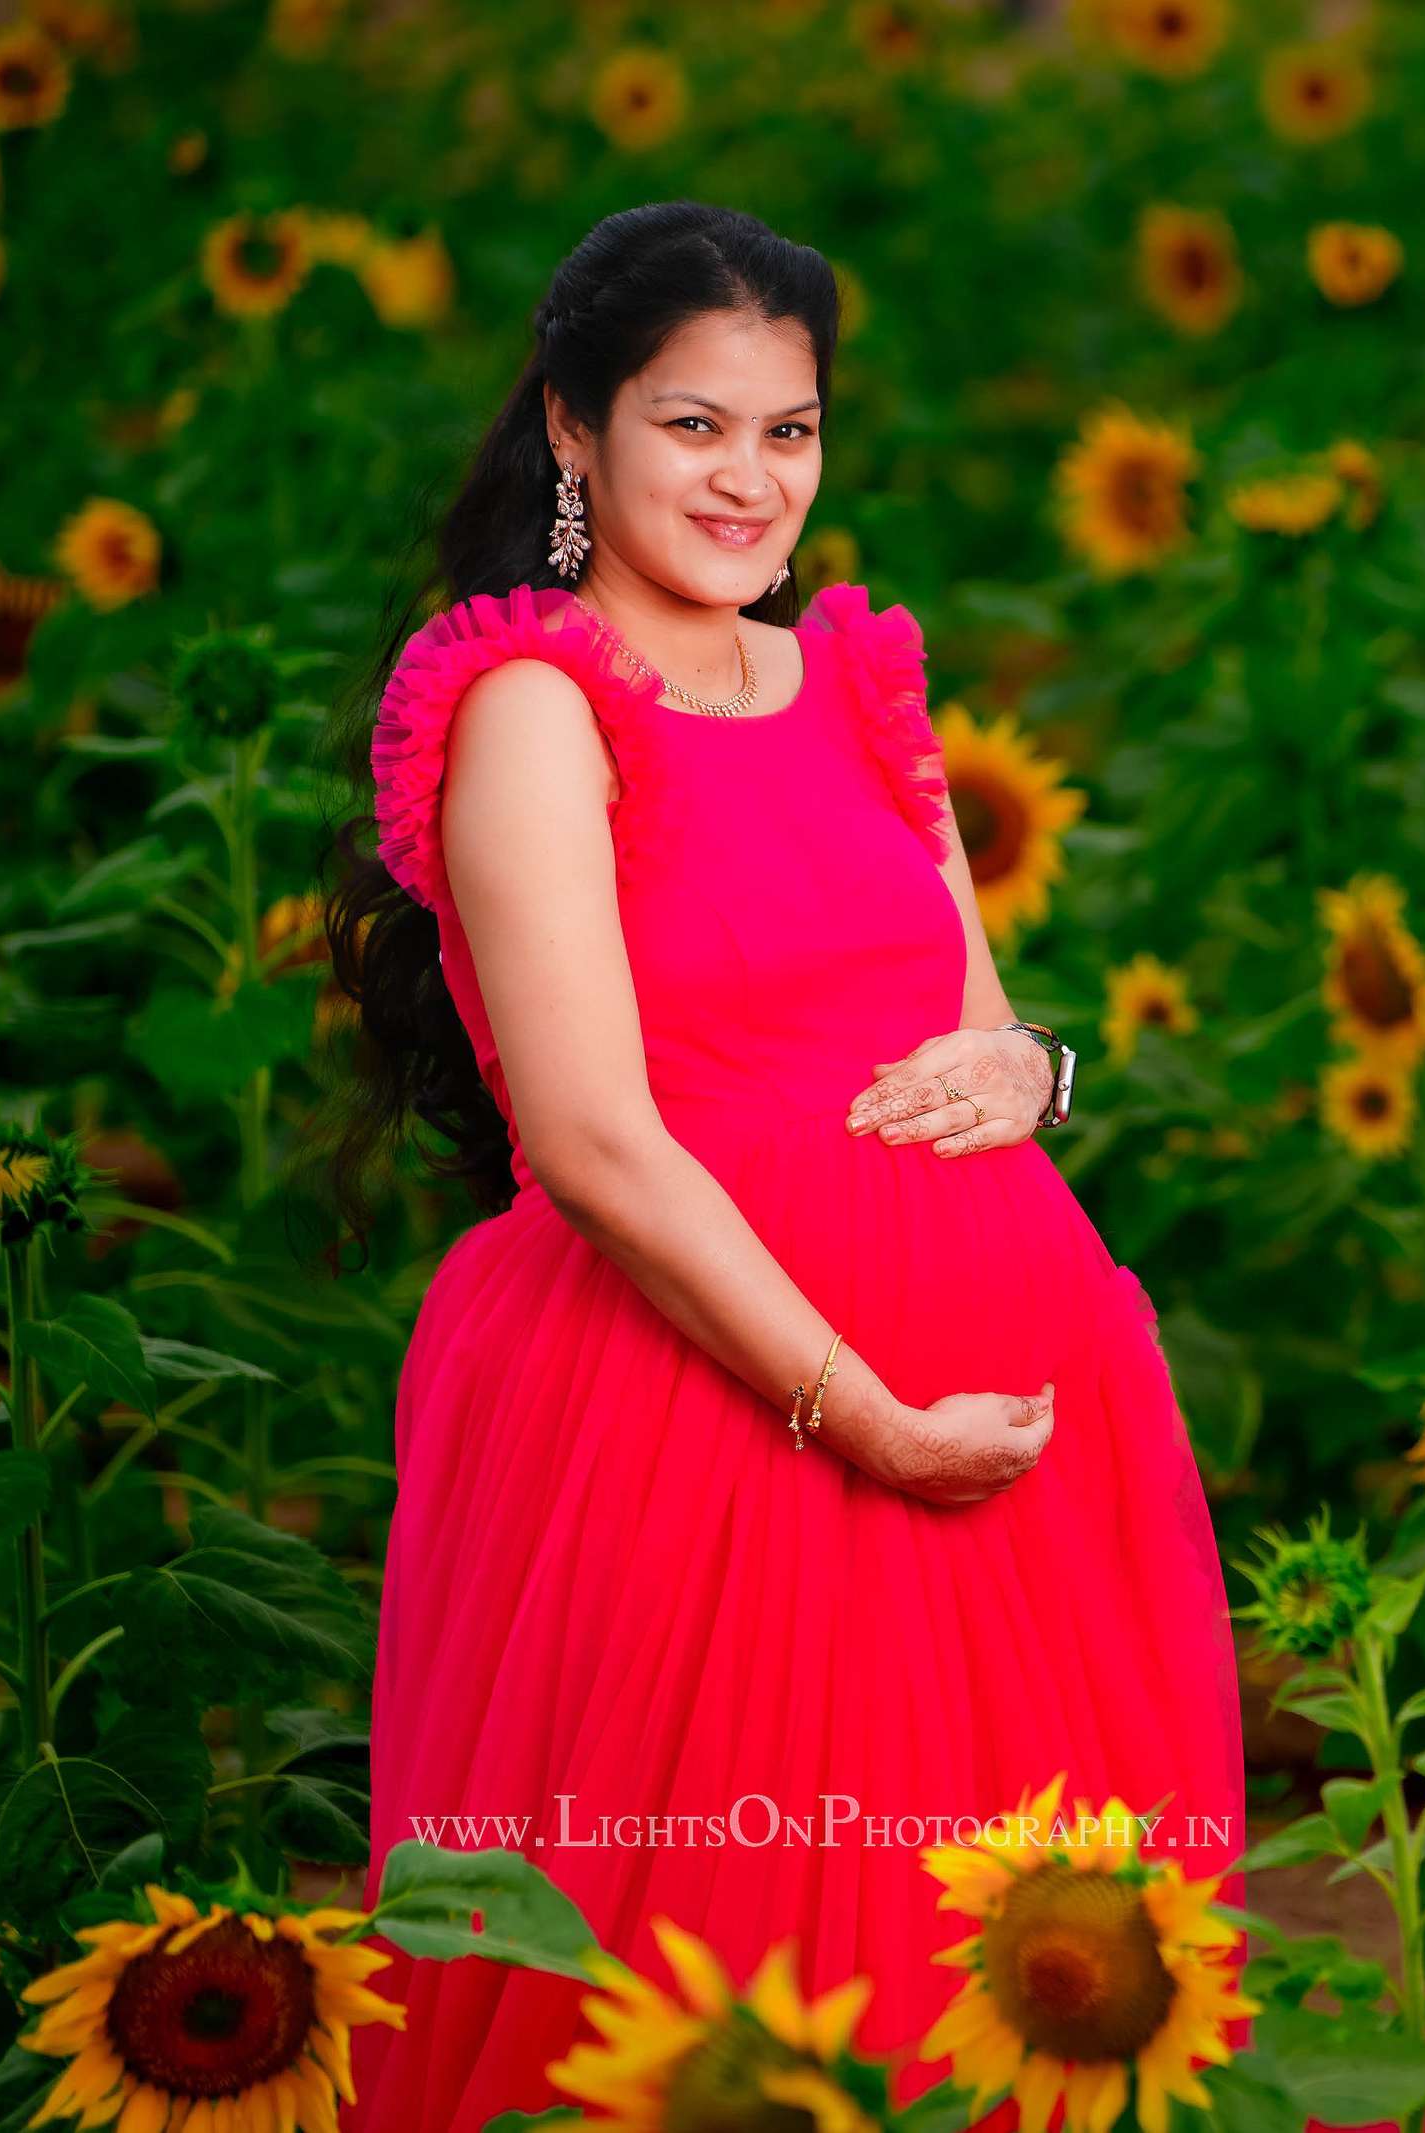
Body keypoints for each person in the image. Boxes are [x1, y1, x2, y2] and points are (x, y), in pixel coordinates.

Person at [319, 202, 1250, 2130]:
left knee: (1023, 1957)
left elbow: (982, 1016)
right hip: (698, 1405)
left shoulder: (856, 686)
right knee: (727, 1968)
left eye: (790, 431)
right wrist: (864, 1414)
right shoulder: (533, 706)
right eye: (693, 426)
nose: (751, 480)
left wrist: (1032, 1071)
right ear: (574, 427)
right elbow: (584, 1136)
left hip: (1006, 1417)